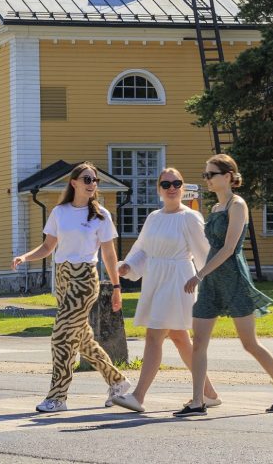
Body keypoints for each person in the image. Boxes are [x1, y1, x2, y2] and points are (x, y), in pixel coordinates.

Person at [176, 154, 273, 417]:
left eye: (211, 174)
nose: (207, 179)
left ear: (228, 176)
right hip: (212, 282)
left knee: (249, 343)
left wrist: (199, 274)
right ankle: (198, 401)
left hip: (233, 280)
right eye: (205, 175)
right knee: (199, 344)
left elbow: (230, 248)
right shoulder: (216, 208)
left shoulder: (237, 205)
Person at [11, 162, 132, 413]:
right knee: (82, 339)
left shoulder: (101, 216)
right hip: (63, 278)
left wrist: (117, 287)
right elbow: (47, 247)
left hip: (85, 279)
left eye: (95, 180)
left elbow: (109, 256)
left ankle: (58, 396)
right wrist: (25, 257)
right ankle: (117, 382)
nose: (92, 184)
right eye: (87, 179)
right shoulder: (60, 212)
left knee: (61, 337)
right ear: (74, 183)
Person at [111, 167, 222, 413]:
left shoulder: (190, 217)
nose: (171, 188)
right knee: (181, 338)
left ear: (182, 188)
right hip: (155, 279)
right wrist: (127, 266)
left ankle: (138, 396)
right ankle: (210, 393)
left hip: (178, 281)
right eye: (166, 184)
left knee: (154, 336)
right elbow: (143, 248)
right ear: (159, 189)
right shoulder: (154, 217)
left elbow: (204, 252)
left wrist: (211, 283)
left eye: (176, 183)